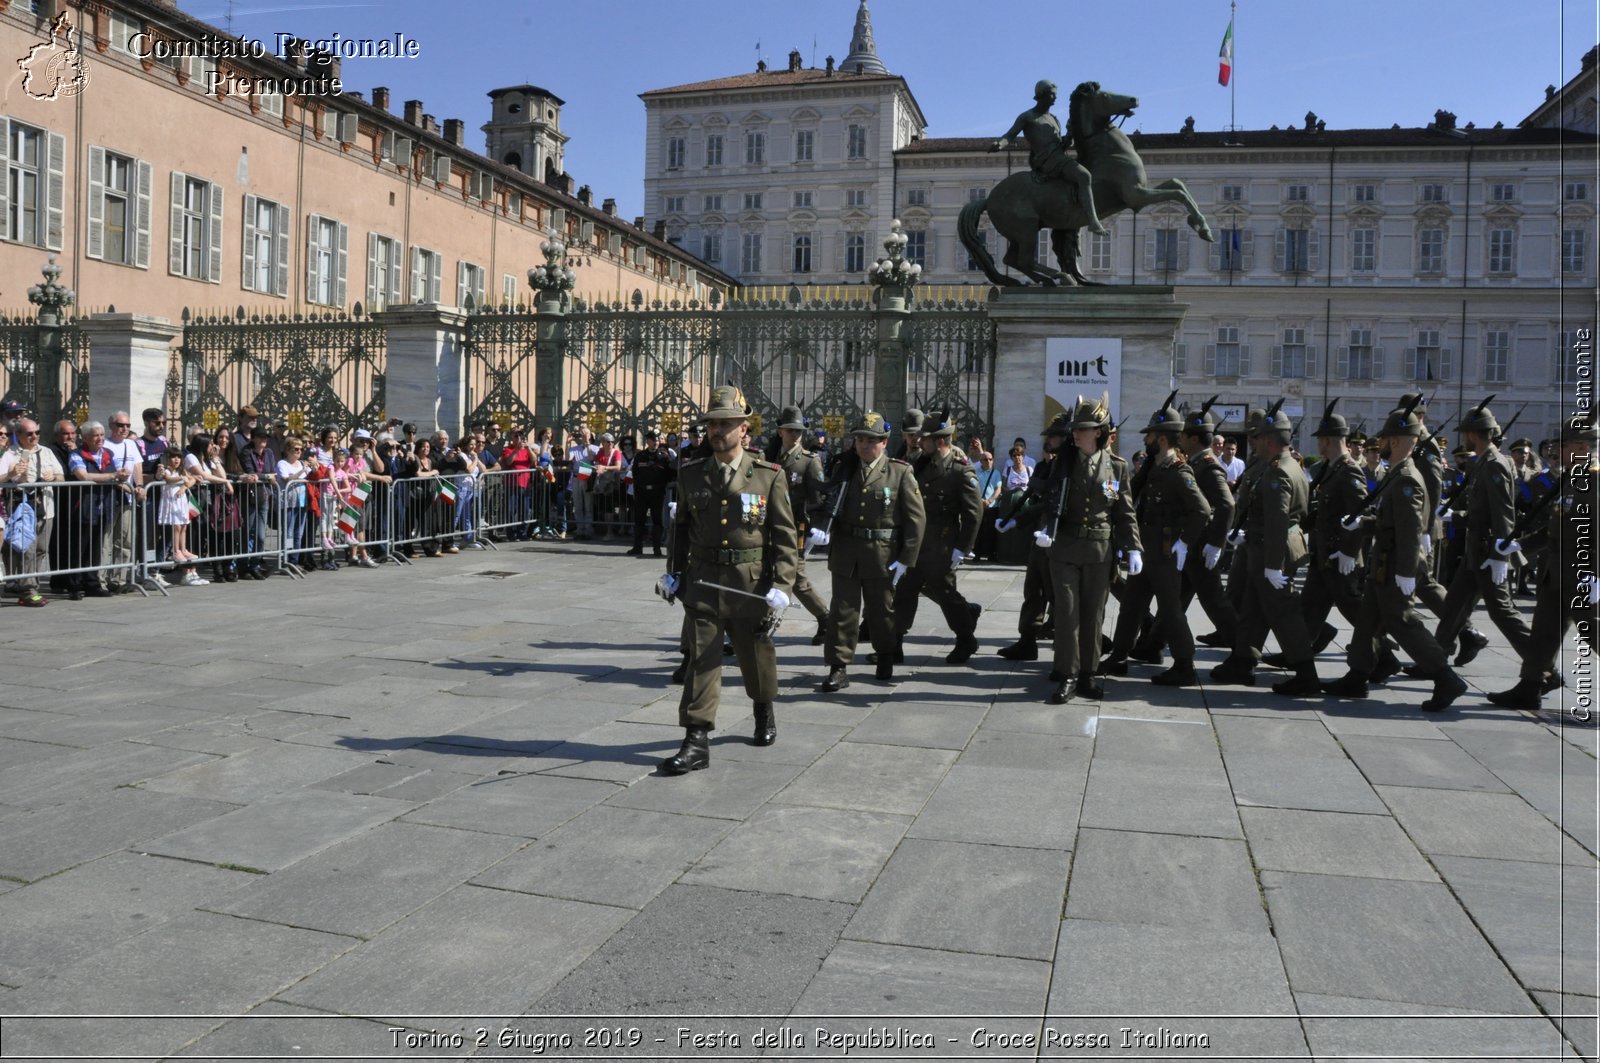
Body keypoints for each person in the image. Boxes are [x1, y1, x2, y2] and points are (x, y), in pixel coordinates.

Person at [658, 386, 797, 774]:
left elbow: (785, 537)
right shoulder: (691, 475)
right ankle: (696, 738)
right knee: (701, 659)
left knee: (755, 658)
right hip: (703, 582)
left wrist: (782, 586)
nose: (717, 430)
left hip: (750, 583)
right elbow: (680, 529)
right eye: (712, 424)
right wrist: (675, 573)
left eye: (726, 424)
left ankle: (763, 708)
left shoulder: (768, 476)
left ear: (743, 428)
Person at [1322, 408, 1467, 711]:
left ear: (1398, 441)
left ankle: (1445, 676)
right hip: (1383, 563)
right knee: (1366, 622)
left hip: (1395, 565)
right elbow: (1389, 522)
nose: (1382, 443)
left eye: (1386, 438)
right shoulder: (1397, 473)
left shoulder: (1406, 479)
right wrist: (1362, 524)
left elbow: (1411, 531)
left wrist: (1406, 572)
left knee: (1404, 623)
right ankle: (1357, 674)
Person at [1030, 395, 1139, 704]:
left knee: (1094, 615)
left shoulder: (1116, 468)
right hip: (1064, 549)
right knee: (1066, 615)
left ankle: (1088, 674)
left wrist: (1133, 547)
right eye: (1075, 428)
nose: (1076, 433)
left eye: (1085, 428)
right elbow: (1048, 500)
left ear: (1100, 432)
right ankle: (1067, 674)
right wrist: (1044, 528)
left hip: (1099, 551)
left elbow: (1124, 511)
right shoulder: (1061, 463)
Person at [1488, 414, 1598, 711]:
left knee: (1593, 631)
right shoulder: (1570, 478)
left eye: (1562, 445)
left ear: (1581, 446)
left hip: (1580, 575)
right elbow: (1554, 529)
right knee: (1542, 635)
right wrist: (1518, 544)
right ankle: (1529, 687)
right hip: (1555, 572)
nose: (1555, 451)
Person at [1211, 404, 1321, 695]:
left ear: (1269, 440)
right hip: (1267, 547)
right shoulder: (1292, 467)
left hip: (1271, 552)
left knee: (1283, 613)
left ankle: (1307, 674)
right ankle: (1243, 660)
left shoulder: (1277, 474)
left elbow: (1277, 521)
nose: (1254, 443)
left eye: (1257, 438)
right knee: (1253, 609)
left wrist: (1273, 565)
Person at [1101, 398, 1210, 686]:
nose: (1145, 439)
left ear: (1162, 438)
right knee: (1131, 605)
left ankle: (1184, 665)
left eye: (1149, 435)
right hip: (1145, 550)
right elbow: (1125, 494)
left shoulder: (1179, 471)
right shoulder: (1155, 467)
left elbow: (1202, 510)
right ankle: (1119, 656)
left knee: (1171, 611)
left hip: (1164, 553)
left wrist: (1184, 542)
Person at [817, 411, 926, 692]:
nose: (865, 446)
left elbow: (916, 519)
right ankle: (838, 667)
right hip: (846, 552)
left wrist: (907, 558)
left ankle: (886, 656)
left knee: (881, 612)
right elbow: (826, 501)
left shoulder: (899, 472)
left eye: (872, 441)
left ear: (885, 442)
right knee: (843, 612)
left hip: (883, 554)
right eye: (860, 440)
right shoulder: (845, 469)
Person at [1432, 398, 1534, 667]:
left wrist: (1500, 554)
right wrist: (1456, 516)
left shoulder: (1495, 464)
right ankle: (1434, 658)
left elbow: (1503, 513)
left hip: (1489, 552)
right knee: (1454, 605)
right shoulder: (1482, 462)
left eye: (1466, 433)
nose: (1464, 438)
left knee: (1502, 611)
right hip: (1474, 550)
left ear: (1473, 434)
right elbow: (1481, 512)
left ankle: (1542, 666)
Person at [889, 409, 983, 665]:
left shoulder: (960, 470)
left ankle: (966, 638)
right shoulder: (921, 464)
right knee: (904, 592)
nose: (920, 441)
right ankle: (894, 643)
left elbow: (974, 513)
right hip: (916, 545)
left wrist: (962, 548)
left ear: (940, 441)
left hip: (941, 547)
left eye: (926, 438)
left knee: (946, 594)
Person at [1289, 402, 1367, 663]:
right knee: (1309, 606)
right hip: (1324, 554)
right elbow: (1324, 513)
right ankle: (1297, 654)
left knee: (1354, 610)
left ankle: (1384, 655)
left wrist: (1348, 552)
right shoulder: (1331, 468)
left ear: (1329, 440)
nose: (1319, 445)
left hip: (1339, 557)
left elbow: (1359, 517)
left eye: (1321, 440)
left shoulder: (1349, 471)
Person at [991, 78, 1106, 234]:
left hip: (1060, 157)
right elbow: (1010, 135)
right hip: (1047, 161)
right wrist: (1000, 144)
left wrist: (1068, 137)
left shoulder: (1054, 119)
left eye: (1055, 94)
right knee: (1084, 176)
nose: (1055, 97)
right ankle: (1093, 221)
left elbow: (1060, 143)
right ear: (1042, 95)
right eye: (1052, 94)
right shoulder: (1028, 117)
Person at [766, 407, 831, 644]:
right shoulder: (770, 457)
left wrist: (819, 527)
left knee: (793, 577)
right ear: (780, 431)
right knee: (786, 577)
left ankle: (763, 624)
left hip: (796, 528)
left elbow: (820, 498)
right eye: (791, 430)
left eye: (799, 431)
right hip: (770, 527)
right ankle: (825, 618)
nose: (795, 435)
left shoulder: (808, 461)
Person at [1178, 404, 1240, 646]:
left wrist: (1216, 544)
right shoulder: (1197, 462)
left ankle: (1244, 652)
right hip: (1194, 543)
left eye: (1184, 435)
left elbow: (1227, 505)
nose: (1180, 438)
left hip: (1203, 545)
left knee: (1214, 600)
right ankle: (1152, 643)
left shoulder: (1208, 465)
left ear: (1193, 438)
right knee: (1176, 599)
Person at [0, 418, 63, 606]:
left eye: (37, 432)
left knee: (41, 549)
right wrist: (12, 475)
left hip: (46, 507)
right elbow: (1, 478)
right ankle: (27, 589)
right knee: (27, 549)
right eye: (29, 433)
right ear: (18, 435)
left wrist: (53, 478)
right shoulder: (10, 454)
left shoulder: (47, 452)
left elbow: (61, 476)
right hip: (22, 508)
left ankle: (29, 582)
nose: (34, 436)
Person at [103, 412, 146, 593]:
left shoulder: (131, 444)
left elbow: (137, 466)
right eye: (121, 425)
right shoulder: (104, 444)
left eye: (128, 425)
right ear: (111, 425)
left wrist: (140, 486)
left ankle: (119, 579)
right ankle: (102, 578)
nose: (125, 429)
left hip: (128, 498)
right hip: (110, 496)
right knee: (106, 541)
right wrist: (124, 486)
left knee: (125, 540)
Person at [155, 447, 207, 586]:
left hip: (181, 501)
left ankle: (183, 549)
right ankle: (176, 550)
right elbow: (168, 479)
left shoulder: (182, 471)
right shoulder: (166, 470)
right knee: (176, 527)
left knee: (184, 526)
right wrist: (182, 479)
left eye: (178, 457)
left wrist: (184, 486)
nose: (176, 459)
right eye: (173, 457)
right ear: (167, 459)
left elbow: (192, 480)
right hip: (171, 502)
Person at [628, 430, 676, 557]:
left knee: (657, 521)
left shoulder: (664, 456)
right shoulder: (640, 456)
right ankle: (637, 547)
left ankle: (657, 548)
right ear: (647, 441)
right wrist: (638, 488)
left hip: (657, 493)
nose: (655, 442)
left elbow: (670, 474)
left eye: (657, 440)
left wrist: (667, 459)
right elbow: (635, 473)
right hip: (642, 493)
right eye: (653, 440)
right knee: (639, 520)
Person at [238, 429, 278, 579]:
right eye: (260, 437)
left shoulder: (269, 453)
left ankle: (255, 564)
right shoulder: (247, 452)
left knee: (261, 535)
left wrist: (265, 476)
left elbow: (273, 472)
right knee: (247, 532)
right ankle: (243, 566)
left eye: (265, 437)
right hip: (249, 495)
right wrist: (267, 476)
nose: (263, 440)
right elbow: (250, 472)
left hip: (264, 495)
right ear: (253, 438)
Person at [275, 437, 312, 568]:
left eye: (301, 449)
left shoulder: (302, 463)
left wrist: (315, 466)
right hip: (288, 502)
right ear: (287, 450)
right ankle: (287, 559)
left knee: (299, 533)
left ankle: (295, 560)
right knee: (289, 533)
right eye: (296, 449)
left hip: (302, 501)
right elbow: (286, 479)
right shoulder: (282, 464)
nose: (299, 451)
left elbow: (313, 476)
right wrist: (302, 471)